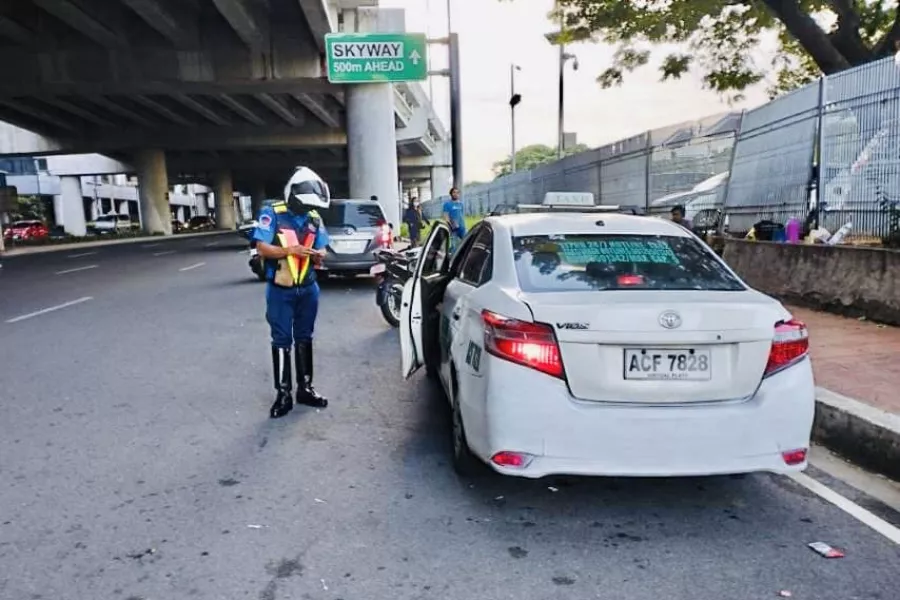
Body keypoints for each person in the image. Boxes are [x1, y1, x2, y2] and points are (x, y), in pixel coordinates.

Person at [253, 167, 331, 419]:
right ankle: (283, 394)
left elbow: (323, 247)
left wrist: (320, 255)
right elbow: (262, 248)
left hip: (308, 288)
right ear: (293, 195)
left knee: (305, 337)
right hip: (280, 289)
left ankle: (305, 389)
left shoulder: (314, 218)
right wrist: (290, 251)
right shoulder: (272, 213)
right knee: (281, 340)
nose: (306, 208)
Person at [442, 187, 466, 251]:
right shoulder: (447, 204)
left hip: (462, 228)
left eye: (457, 193)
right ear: (451, 194)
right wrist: (451, 225)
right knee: (454, 247)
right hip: (453, 229)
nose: (456, 194)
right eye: (454, 192)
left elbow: (462, 215)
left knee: (466, 244)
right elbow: (445, 216)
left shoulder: (461, 204)